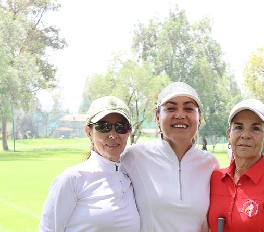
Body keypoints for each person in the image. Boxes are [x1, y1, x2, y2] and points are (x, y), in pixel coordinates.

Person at [120, 82, 220, 232]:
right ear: (157, 118)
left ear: (199, 119)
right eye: (171, 108)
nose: (180, 115)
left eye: (188, 109)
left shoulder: (210, 164)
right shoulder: (134, 157)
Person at [39, 96, 140, 232]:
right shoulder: (72, 179)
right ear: (88, 131)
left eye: (121, 127)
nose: (113, 134)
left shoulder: (131, 177)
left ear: (129, 132)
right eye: (104, 127)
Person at [208, 99, 264, 232]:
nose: (245, 135)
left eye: (255, 128)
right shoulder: (215, 178)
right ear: (229, 135)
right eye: (238, 127)